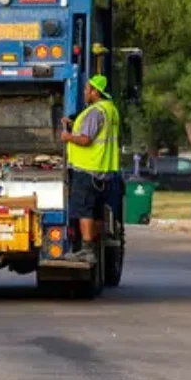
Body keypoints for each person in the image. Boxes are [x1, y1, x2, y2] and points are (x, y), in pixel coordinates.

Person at [60, 74, 120, 263]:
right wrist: (74, 125)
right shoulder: (110, 110)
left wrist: (68, 137)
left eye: (87, 89)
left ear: (95, 92)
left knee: (84, 209)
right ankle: (93, 246)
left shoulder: (94, 112)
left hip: (87, 169)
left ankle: (87, 250)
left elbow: (86, 140)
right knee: (96, 211)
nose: (85, 92)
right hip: (102, 170)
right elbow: (95, 132)